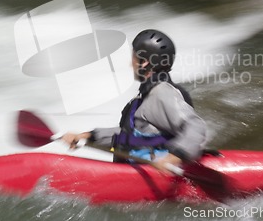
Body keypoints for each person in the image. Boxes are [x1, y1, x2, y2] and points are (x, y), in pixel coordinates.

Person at [61, 29, 207, 173]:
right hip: (138, 168)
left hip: (157, 173)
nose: (131, 64)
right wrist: (89, 136)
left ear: (144, 63)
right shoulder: (144, 97)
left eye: (134, 58)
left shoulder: (161, 93)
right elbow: (132, 136)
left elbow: (195, 125)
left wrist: (174, 157)